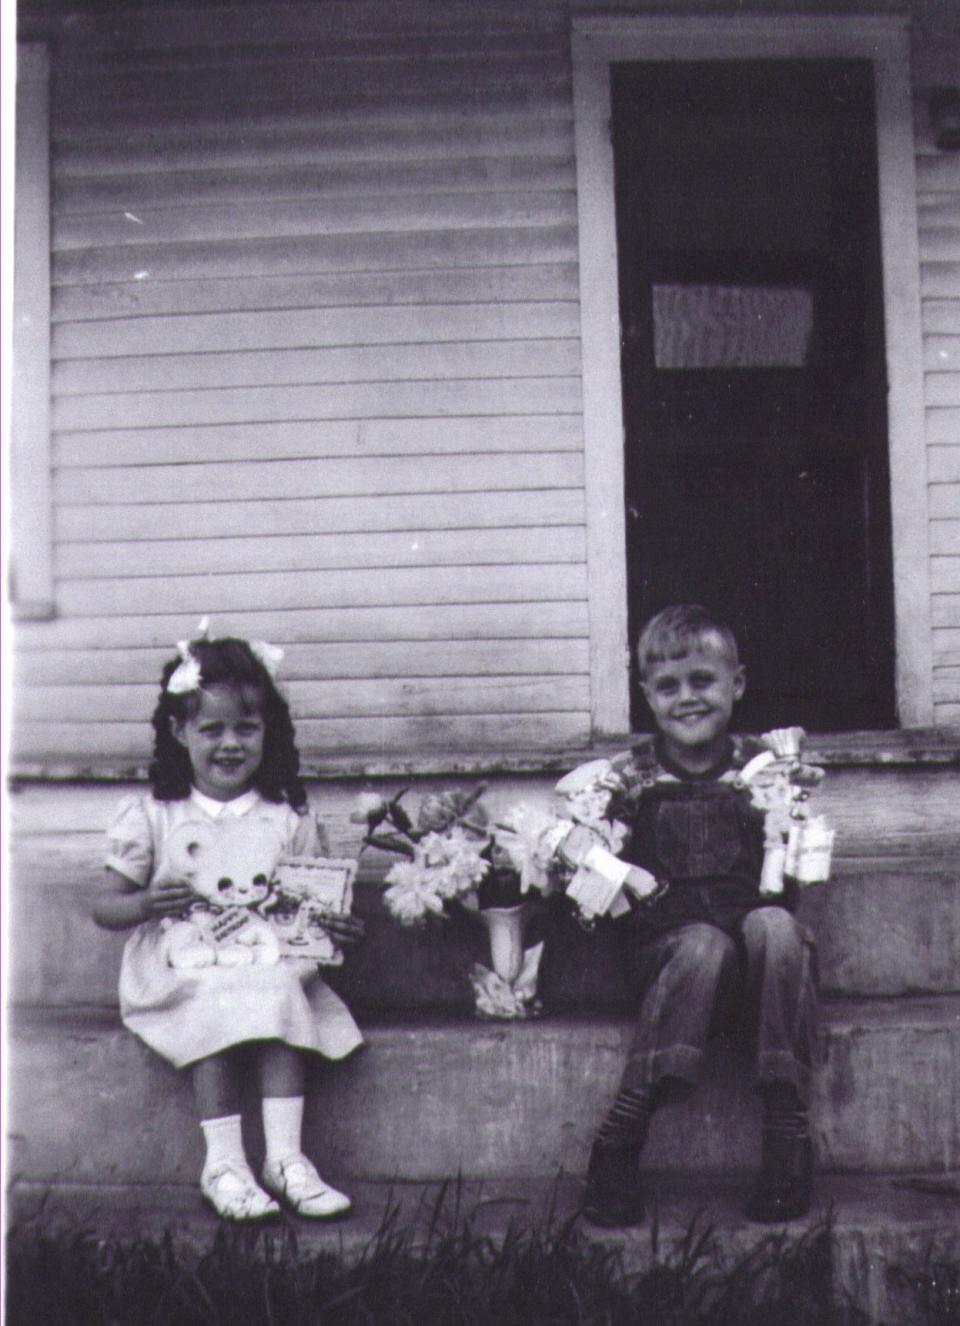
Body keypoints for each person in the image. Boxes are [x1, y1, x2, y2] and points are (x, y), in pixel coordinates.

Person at [92, 629, 365, 1221]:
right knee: (214, 997)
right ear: (179, 732)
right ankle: (224, 1163)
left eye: (247, 727)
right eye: (211, 729)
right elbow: (103, 906)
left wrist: (335, 928)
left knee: (277, 984)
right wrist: (144, 904)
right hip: (183, 961)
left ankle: (286, 1159)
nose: (230, 743)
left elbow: (314, 904)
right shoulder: (155, 814)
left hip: (267, 955)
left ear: (270, 731)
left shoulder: (286, 817)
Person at [582, 605, 818, 1227]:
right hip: (670, 964)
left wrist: (792, 817)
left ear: (736, 684)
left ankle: (787, 1128)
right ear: (646, 697)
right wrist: (592, 855)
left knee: (777, 927)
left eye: (703, 681)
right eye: (668, 686)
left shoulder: (763, 768)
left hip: (753, 969)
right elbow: (591, 879)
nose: (687, 698)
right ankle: (622, 1134)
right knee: (702, 945)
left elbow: (790, 879)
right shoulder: (627, 778)